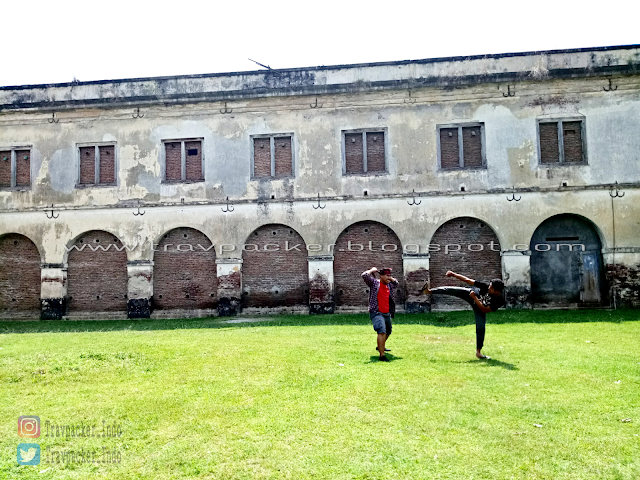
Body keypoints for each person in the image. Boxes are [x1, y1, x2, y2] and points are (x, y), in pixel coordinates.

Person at [423, 270, 505, 359]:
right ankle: (429, 291)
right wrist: (454, 274)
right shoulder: (485, 286)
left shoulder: (499, 301)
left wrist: (475, 298)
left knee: (481, 327)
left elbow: (485, 310)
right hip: (471, 294)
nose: (489, 288)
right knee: (453, 290)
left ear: (497, 291)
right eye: (489, 286)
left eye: (491, 288)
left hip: (479, 306)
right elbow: (468, 280)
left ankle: (478, 352)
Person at [362, 267, 399, 362]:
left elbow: (396, 283)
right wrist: (371, 270)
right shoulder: (374, 283)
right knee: (381, 331)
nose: (389, 278)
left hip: (387, 313)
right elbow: (364, 275)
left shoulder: (390, 284)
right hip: (376, 312)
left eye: (390, 276)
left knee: (388, 331)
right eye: (387, 276)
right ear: (381, 276)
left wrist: (390, 278)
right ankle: (382, 355)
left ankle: (380, 346)